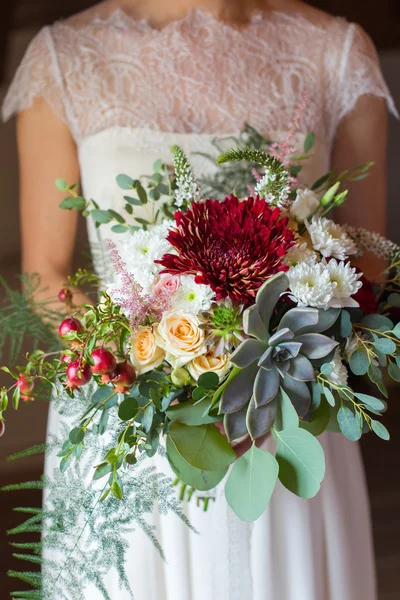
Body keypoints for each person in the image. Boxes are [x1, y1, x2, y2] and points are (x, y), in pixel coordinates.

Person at [2, 0, 397, 598]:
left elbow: (371, 255)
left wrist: (281, 358)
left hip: (284, 408)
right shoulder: (63, 59)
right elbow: (46, 274)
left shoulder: (336, 52)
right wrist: (158, 368)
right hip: (128, 418)